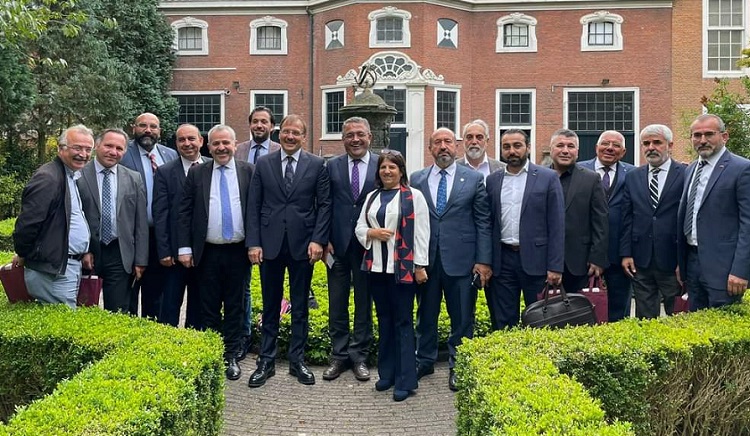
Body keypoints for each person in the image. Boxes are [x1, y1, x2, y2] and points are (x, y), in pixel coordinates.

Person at [247, 114, 331, 388]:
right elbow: (254, 205)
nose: (290, 136)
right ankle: (266, 361)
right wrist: (254, 243)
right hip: (269, 244)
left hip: (303, 245)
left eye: (296, 132)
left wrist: (318, 240)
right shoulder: (264, 163)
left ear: (304, 137)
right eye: (286, 131)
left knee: (300, 306)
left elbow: (324, 205)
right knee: (271, 306)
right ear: (278, 133)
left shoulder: (317, 165)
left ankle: (297, 361)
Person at [410, 127, 491, 392]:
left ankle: (460, 365)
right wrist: (414, 260)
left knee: (463, 318)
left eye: (447, 141)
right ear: (430, 148)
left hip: (462, 261)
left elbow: (483, 221)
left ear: (456, 146)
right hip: (428, 262)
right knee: (425, 315)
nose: (443, 146)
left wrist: (483, 261)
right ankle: (424, 361)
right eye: (437, 142)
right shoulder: (417, 179)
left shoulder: (474, 178)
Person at [177, 124, 254, 381]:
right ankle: (212, 354)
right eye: (216, 143)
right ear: (208, 147)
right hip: (207, 252)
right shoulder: (197, 173)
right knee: (207, 306)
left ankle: (230, 355)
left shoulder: (248, 171)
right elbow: (185, 211)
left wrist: (255, 244)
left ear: (235, 145)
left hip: (238, 252)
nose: (221, 148)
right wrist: (185, 248)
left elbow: (256, 211)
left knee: (235, 305)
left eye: (226, 143)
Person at [355, 150, 429, 402]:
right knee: (384, 321)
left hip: (403, 271)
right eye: (383, 167)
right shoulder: (372, 196)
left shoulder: (414, 196)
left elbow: (421, 233)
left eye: (392, 167)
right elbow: (359, 226)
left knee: (403, 323)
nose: (387, 171)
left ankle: (405, 380)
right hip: (376, 269)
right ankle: (386, 374)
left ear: (401, 171)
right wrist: (371, 234)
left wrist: (420, 265)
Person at [485, 129, 564, 330]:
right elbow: (489, 222)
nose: (512, 151)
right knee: (503, 323)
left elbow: (557, 224)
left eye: (517, 146)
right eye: (506, 147)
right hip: (502, 261)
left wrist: (555, 266)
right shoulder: (493, 180)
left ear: (528, 148)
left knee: (541, 321)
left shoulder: (547, 177)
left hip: (537, 260)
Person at [13, 125, 93, 308]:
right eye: (77, 148)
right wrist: (25, 253)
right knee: (64, 321)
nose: (83, 154)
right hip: (52, 271)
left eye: (88, 149)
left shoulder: (69, 175)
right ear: (61, 148)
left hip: (66, 267)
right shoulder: (48, 178)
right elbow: (27, 224)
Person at [323, 117, 377, 382]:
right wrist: (323, 239)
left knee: (364, 303)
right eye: (349, 135)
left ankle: (359, 356)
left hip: (369, 247)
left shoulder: (382, 164)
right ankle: (339, 355)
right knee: (337, 302)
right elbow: (323, 203)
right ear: (342, 139)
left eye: (360, 134)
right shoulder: (331, 166)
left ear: (370, 137)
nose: (355, 139)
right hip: (337, 246)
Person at [678, 114, 750, 310]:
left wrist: (741, 270)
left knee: (722, 321)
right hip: (692, 263)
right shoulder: (691, 169)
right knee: (697, 322)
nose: (702, 140)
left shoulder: (742, 169)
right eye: (697, 135)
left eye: (709, 134)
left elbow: (748, 224)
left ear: (724, 136)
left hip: (724, 269)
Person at [77, 129, 149, 313]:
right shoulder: (78, 175)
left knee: (117, 311)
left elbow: (141, 223)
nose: (113, 152)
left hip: (120, 252)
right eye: (108, 146)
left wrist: (141, 259)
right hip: (87, 253)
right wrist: (84, 250)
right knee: (83, 311)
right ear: (97, 145)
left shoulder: (134, 178)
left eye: (119, 148)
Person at [620, 125, 686, 318]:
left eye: (657, 142)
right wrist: (626, 253)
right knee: (645, 318)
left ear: (670, 145)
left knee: (678, 317)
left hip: (673, 259)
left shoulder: (685, 173)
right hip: (641, 260)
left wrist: (684, 259)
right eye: (646, 143)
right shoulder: (633, 176)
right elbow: (627, 217)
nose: (651, 147)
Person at [120, 112, 178, 318]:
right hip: (132, 236)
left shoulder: (170, 155)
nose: (148, 130)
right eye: (142, 125)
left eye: (153, 126)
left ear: (159, 131)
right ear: (133, 128)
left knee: (156, 294)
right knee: (128, 293)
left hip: (159, 237)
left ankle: (152, 331)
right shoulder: (122, 154)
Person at [153, 124, 211, 328]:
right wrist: (164, 250)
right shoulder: (165, 172)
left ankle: (194, 343)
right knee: (170, 305)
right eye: (181, 140)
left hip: (205, 252)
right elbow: (160, 214)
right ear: (176, 144)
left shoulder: (213, 166)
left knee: (199, 306)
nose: (187, 143)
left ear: (201, 141)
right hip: (174, 253)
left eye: (191, 139)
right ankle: (168, 343)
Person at [235, 107, 281, 357]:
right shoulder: (238, 150)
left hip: (272, 228)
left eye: (264, 121)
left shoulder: (280, 150)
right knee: (242, 285)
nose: (259, 125)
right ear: (250, 124)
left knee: (271, 288)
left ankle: (270, 337)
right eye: (255, 121)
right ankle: (244, 335)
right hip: (241, 226)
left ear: (272, 126)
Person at [579, 131, 635, 321]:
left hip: (619, 254)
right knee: (584, 309)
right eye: (605, 143)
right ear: (596, 147)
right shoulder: (578, 170)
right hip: (584, 254)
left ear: (624, 151)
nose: (610, 148)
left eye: (616, 145)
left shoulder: (633, 174)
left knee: (619, 310)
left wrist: (628, 252)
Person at [548, 128, 608, 293]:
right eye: (560, 145)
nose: (565, 150)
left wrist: (597, 258)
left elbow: (600, 222)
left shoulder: (591, 179)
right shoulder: (538, 177)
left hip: (580, 263)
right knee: (544, 308)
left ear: (577, 151)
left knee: (579, 308)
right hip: (543, 261)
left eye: (571, 146)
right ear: (551, 149)